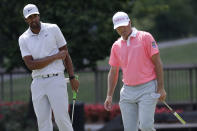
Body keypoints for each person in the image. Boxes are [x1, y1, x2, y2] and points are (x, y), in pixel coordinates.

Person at [18, 4, 79, 131]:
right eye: (30, 17)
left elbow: (66, 54)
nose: (33, 19)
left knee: (62, 119)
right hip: (37, 82)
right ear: (26, 20)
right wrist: (55, 56)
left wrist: (72, 76)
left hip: (56, 79)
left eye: (35, 16)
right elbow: (31, 65)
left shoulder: (53, 29)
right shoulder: (23, 38)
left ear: (39, 15)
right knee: (43, 123)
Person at [104, 11, 166, 131]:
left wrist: (161, 87)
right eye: (119, 28)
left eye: (124, 26)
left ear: (129, 22)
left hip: (147, 89)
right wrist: (109, 95)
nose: (122, 29)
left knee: (146, 126)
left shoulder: (145, 37)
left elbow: (157, 63)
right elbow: (113, 71)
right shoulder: (116, 46)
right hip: (127, 91)